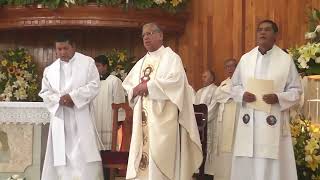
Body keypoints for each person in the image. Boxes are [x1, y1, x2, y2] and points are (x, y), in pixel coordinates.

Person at [122, 22, 203, 180]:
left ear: (161, 36)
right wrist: (135, 89)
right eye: (144, 34)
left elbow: (177, 82)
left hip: (163, 121)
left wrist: (148, 86)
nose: (146, 37)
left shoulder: (171, 58)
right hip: (143, 119)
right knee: (142, 160)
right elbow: (129, 85)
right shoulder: (141, 62)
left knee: (160, 158)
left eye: (150, 33)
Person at [230, 20, 302, 180]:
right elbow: (233, 86)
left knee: (271, 167)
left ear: (275, 35)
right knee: (248, 164)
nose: (262, 33)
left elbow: (296, 91)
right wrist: (243, 95)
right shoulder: (245, 59)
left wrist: (278, 97)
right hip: (249, 123)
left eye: (267, 30)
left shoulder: (285, 60)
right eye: (259, 30)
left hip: (272, 123)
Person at [39, 33, 103, 180]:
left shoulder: (87, 63)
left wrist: (73, 97)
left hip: (81, 114)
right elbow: (45, 92)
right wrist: (59, 99)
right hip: (60, 116)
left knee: (82, 153)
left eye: (65, 48)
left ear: (73, 46)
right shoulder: (50, 69)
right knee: (60, 153)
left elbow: (94, 85)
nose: (62, 52)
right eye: (59, 49)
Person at [205, 58, 238, 180]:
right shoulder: (224, 83)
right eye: (227, 67)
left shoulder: (241, 81)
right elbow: (218, 95)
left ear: (237, 67)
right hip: (222, 120)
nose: (230, 69)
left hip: (234, 119)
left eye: (232, 66)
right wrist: (229, 95)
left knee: (231, 150)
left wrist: (229, 94)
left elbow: (235, 93)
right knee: (222, 151)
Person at [93, 55, 126, 151]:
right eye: (94, 66)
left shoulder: (115, 81)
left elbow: (119, 101)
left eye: (98, 66)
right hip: (95, 117)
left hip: (109, 119)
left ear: (105, 66)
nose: (96, 69)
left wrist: (118, 120)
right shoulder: (92, 82)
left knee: (109, 148)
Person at [194, 69, 217, 180]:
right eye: (202, 76)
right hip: (198, 126)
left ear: (212, 78)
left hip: (210, 124)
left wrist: (203, 119)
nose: (202, 79)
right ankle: (199, 170)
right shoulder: (199, 92)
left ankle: (209, 172)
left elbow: (213, 107)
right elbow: (195, 107)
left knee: (209, 147)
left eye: (205, 76)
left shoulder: (216, 90)